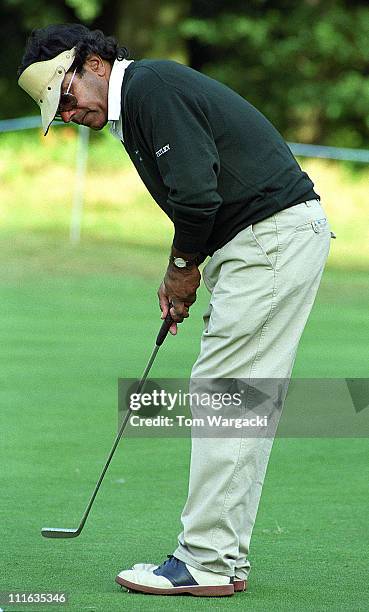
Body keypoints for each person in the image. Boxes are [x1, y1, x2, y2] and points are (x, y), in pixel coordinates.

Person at [18, 23, 332, 597]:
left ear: (92, 63)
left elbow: (195, 193)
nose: (67, 114)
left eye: (64, 97)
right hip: (266, 241)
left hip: (269, 239)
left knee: (226, 394)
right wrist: (185, 269)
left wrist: (182, 269)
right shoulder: (137, 102)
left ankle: (206, 561)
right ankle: (223, 559)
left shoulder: (148, 87)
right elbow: (199, 195)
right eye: (56, 111)